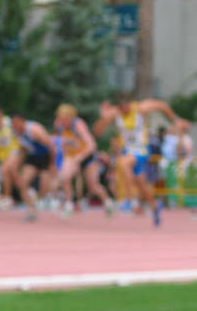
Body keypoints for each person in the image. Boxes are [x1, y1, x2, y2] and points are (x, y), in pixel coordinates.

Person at [93, 92, 189, 227]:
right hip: (127, 151)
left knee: (123, 163)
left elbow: (161, 105)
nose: (124, 111)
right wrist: (102, 118)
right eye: (121, 109)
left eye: (126, 107)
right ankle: (155, 207)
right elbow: (97, 132)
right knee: (141, 185)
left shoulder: (141, 108)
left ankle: (128, 200)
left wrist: (175, 119)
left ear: (129, 104)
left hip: (142, 149)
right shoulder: (114, 113)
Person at [54, 104, 115, 219]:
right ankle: (68, 205)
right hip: (72, 155)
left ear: (70, 117)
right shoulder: (59, 124)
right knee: (65, 176)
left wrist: (80, 157)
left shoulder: (78, 124)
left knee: (93, 187)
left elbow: (92, 145)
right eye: (60, 118)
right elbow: (59, 139)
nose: (62, 121)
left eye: (64, 119)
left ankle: (107, 202)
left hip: (87, 156)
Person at [11, 115, 57, 222]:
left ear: (23, 122)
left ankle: (38, 201)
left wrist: (52, 164)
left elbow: (51, 145)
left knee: (44, 187)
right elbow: (23, 149)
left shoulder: (34, 130)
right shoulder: (16, 133)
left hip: (46, 157)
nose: (14, 126)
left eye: (16, 123)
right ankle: (31, 210)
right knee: (22, 183)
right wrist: (17, 165)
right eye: (13, 124)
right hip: (33, 157)